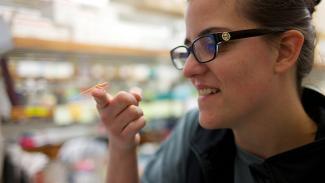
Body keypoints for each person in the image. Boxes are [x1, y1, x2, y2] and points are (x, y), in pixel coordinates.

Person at [91, 0, 325, 182]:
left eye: (213, 42)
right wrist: (122, 146)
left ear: (284, 50)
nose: (189, 69)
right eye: (190, 48)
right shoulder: (195, 136)